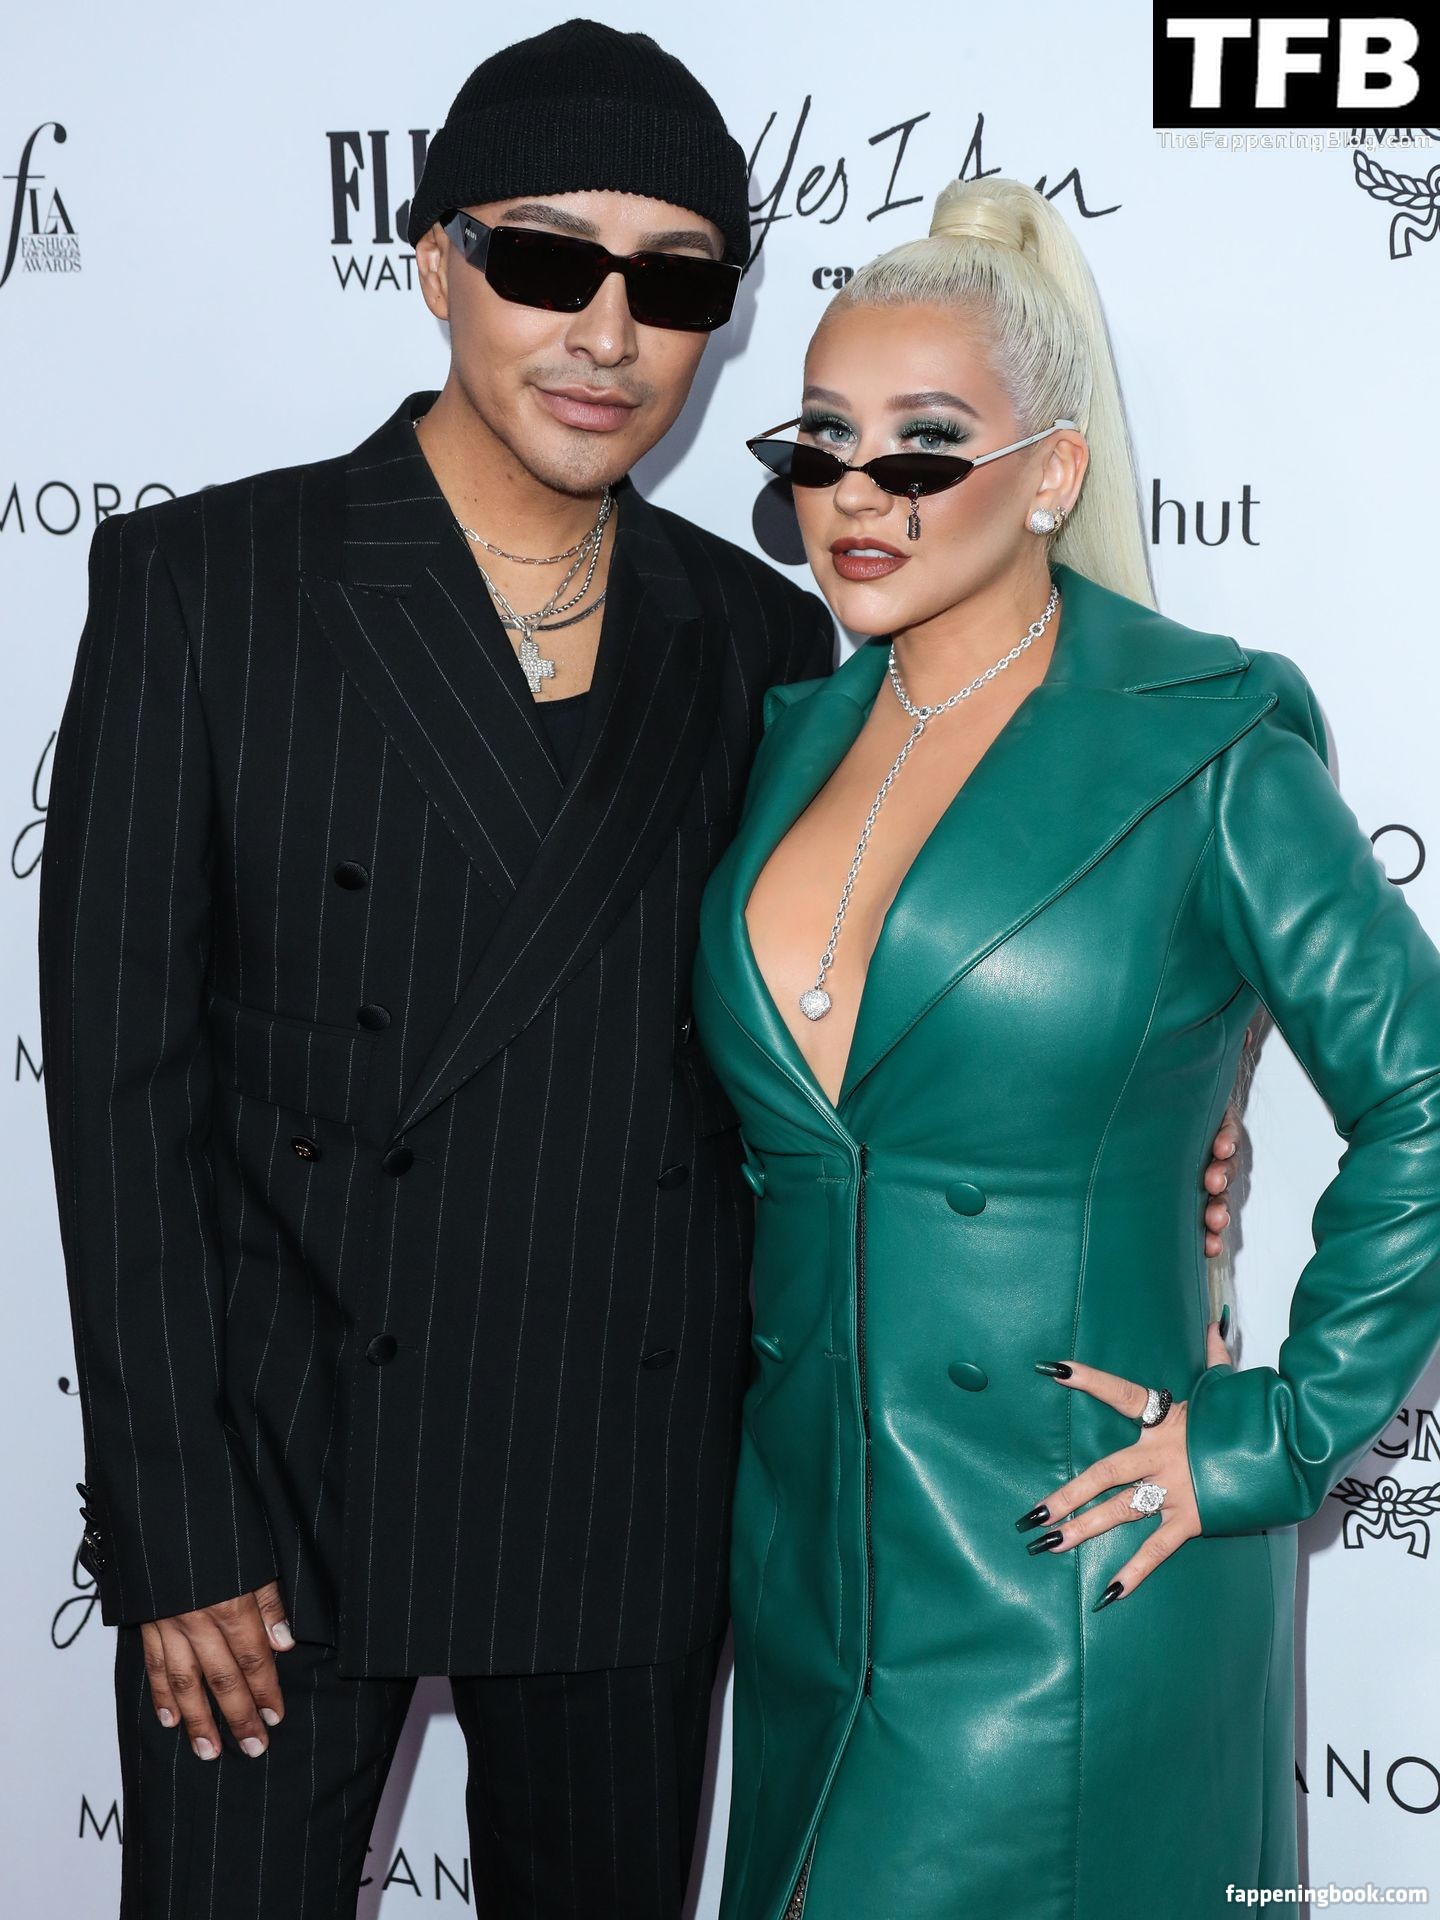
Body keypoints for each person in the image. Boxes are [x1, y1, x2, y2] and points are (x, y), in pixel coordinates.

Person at [35, 23, 1238, 1918]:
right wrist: (176, 1530)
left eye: (673, 283)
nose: (607, 333)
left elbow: (859, 1006)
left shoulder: (758, 635)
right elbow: (119, 1101)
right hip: (271, 1506)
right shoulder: (206, 589)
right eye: (545, 260)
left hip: (621, 1495)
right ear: (433, 265)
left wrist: (1140, 1125)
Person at [690, 174, 1440, 1920]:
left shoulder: (1204, 739)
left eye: (925, 444)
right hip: (814, 1577)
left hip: (1080, 1571)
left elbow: (1422, 1090)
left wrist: (1276, 1434)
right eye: (823, 441)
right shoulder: (783, 738)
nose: (858, 491)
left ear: (1052, 475)